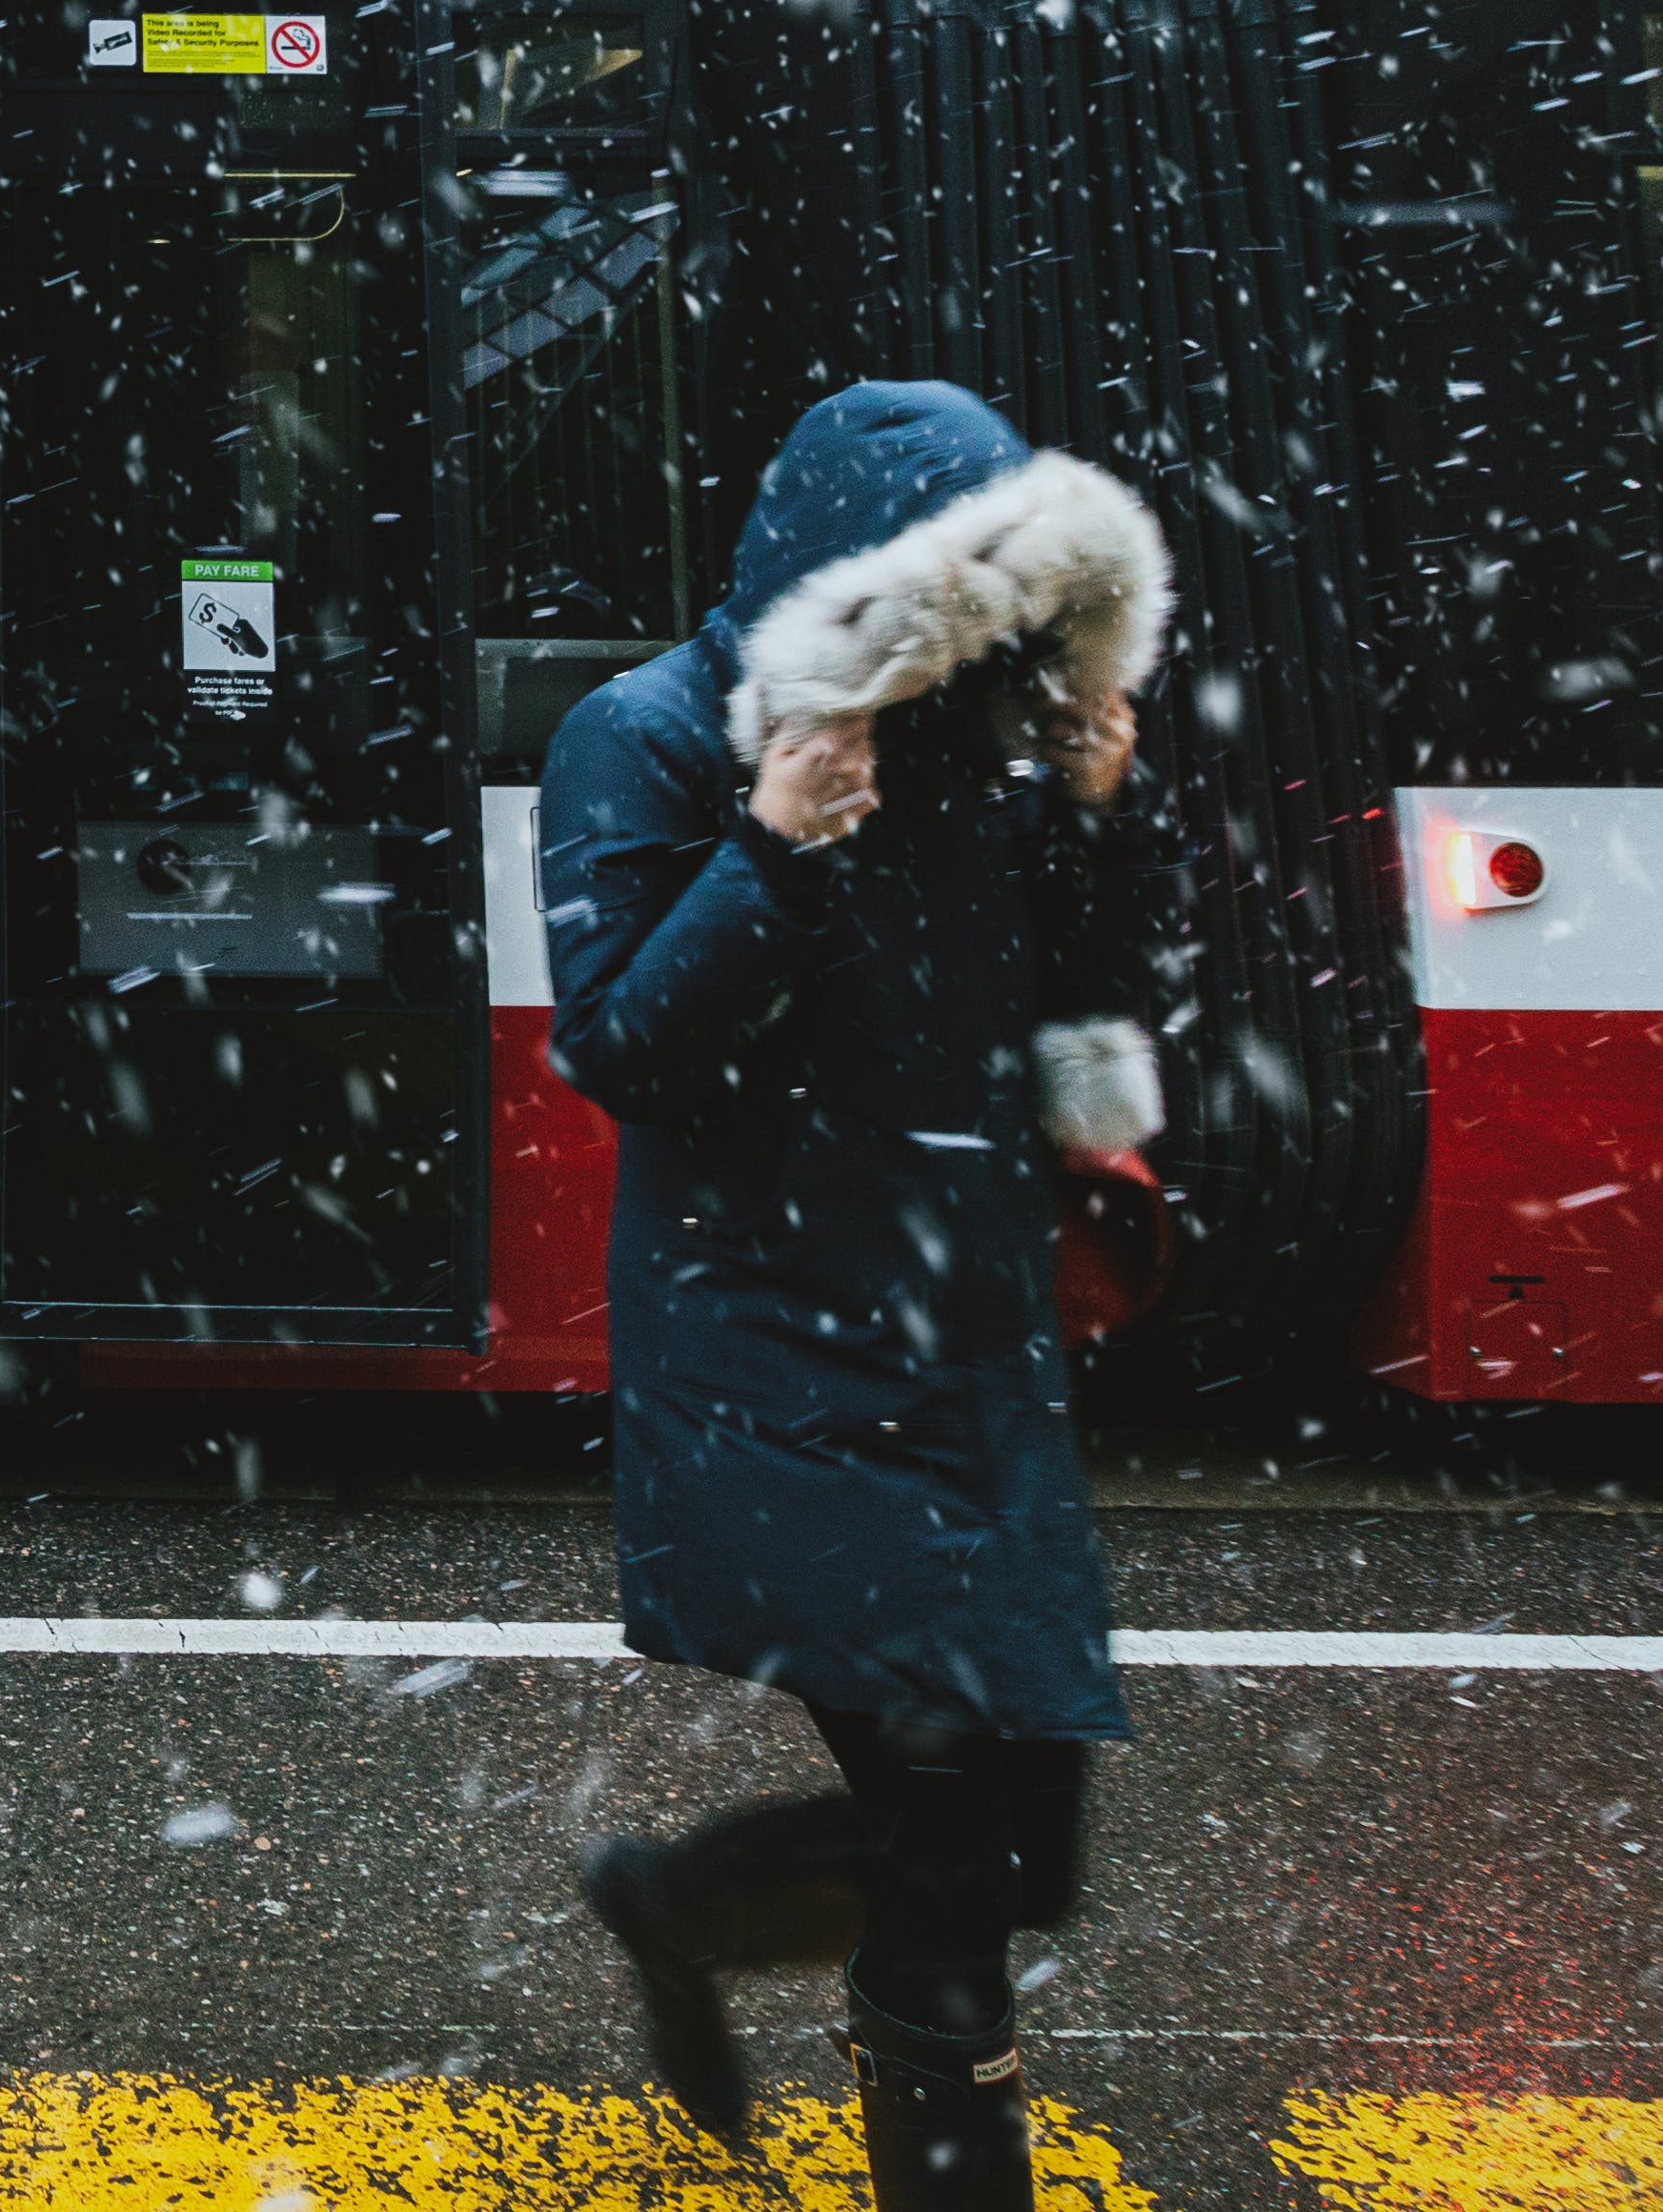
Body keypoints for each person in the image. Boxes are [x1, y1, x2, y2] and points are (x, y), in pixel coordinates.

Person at [544, 380, 1188, 2212]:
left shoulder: (978, 721)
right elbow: (624, 1049)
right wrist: (773, 848)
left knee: (1021, 1852)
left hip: (964, 1348)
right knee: (951, 1854)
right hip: (772, 1345)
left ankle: (678, 1903)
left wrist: (1095, 810)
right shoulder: (648, 733)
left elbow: (1062, 990)